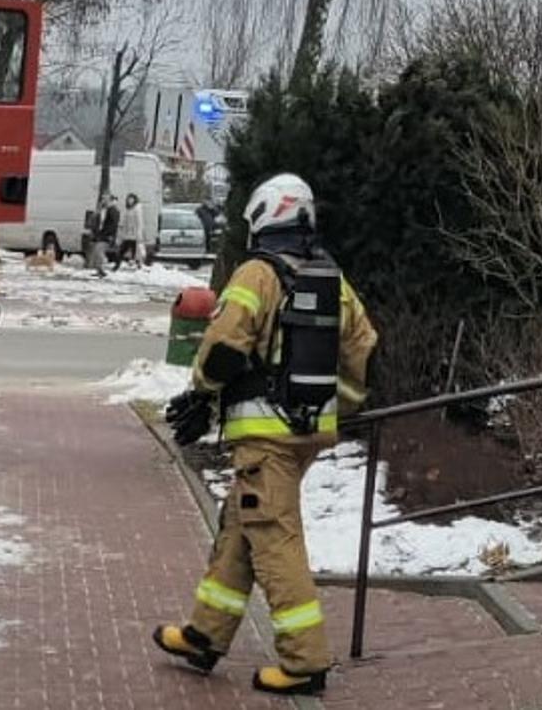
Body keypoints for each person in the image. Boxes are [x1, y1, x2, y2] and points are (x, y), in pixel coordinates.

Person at [153, 174, 377, 697]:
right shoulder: (331, 277)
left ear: (262, 216)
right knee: (241, 527)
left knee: (274, 540)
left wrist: (202, 390)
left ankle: (305, 662)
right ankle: (204, 635)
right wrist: (333, 405)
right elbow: (364, 348)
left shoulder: (257, 273)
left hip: (263, 436)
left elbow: (224, 347)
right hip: (305, 435)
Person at [92, 194, 120, 278]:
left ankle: (101, 269)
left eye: (105, 199)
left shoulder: (113, 210)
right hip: (101, 234)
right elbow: (97, 220)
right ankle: (100, 270)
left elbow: (113, 225)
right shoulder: (103, 209)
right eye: (102, 199)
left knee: (99, 251)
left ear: (109, 200)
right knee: (97, 251)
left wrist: (111, 235)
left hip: (106, 235)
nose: (103, 200)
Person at [115, 193, 144, 271]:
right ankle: (117, 265)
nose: (129, 201)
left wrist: (139, 233)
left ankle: (138, 266)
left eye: (131, 199)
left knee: (135, 252)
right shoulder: (128, 209)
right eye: (128, 199)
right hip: (127, 234)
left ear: (134, 200)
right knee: (122, 250)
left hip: (134, 234)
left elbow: (139, 222)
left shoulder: (137, 209)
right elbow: (125, 221)